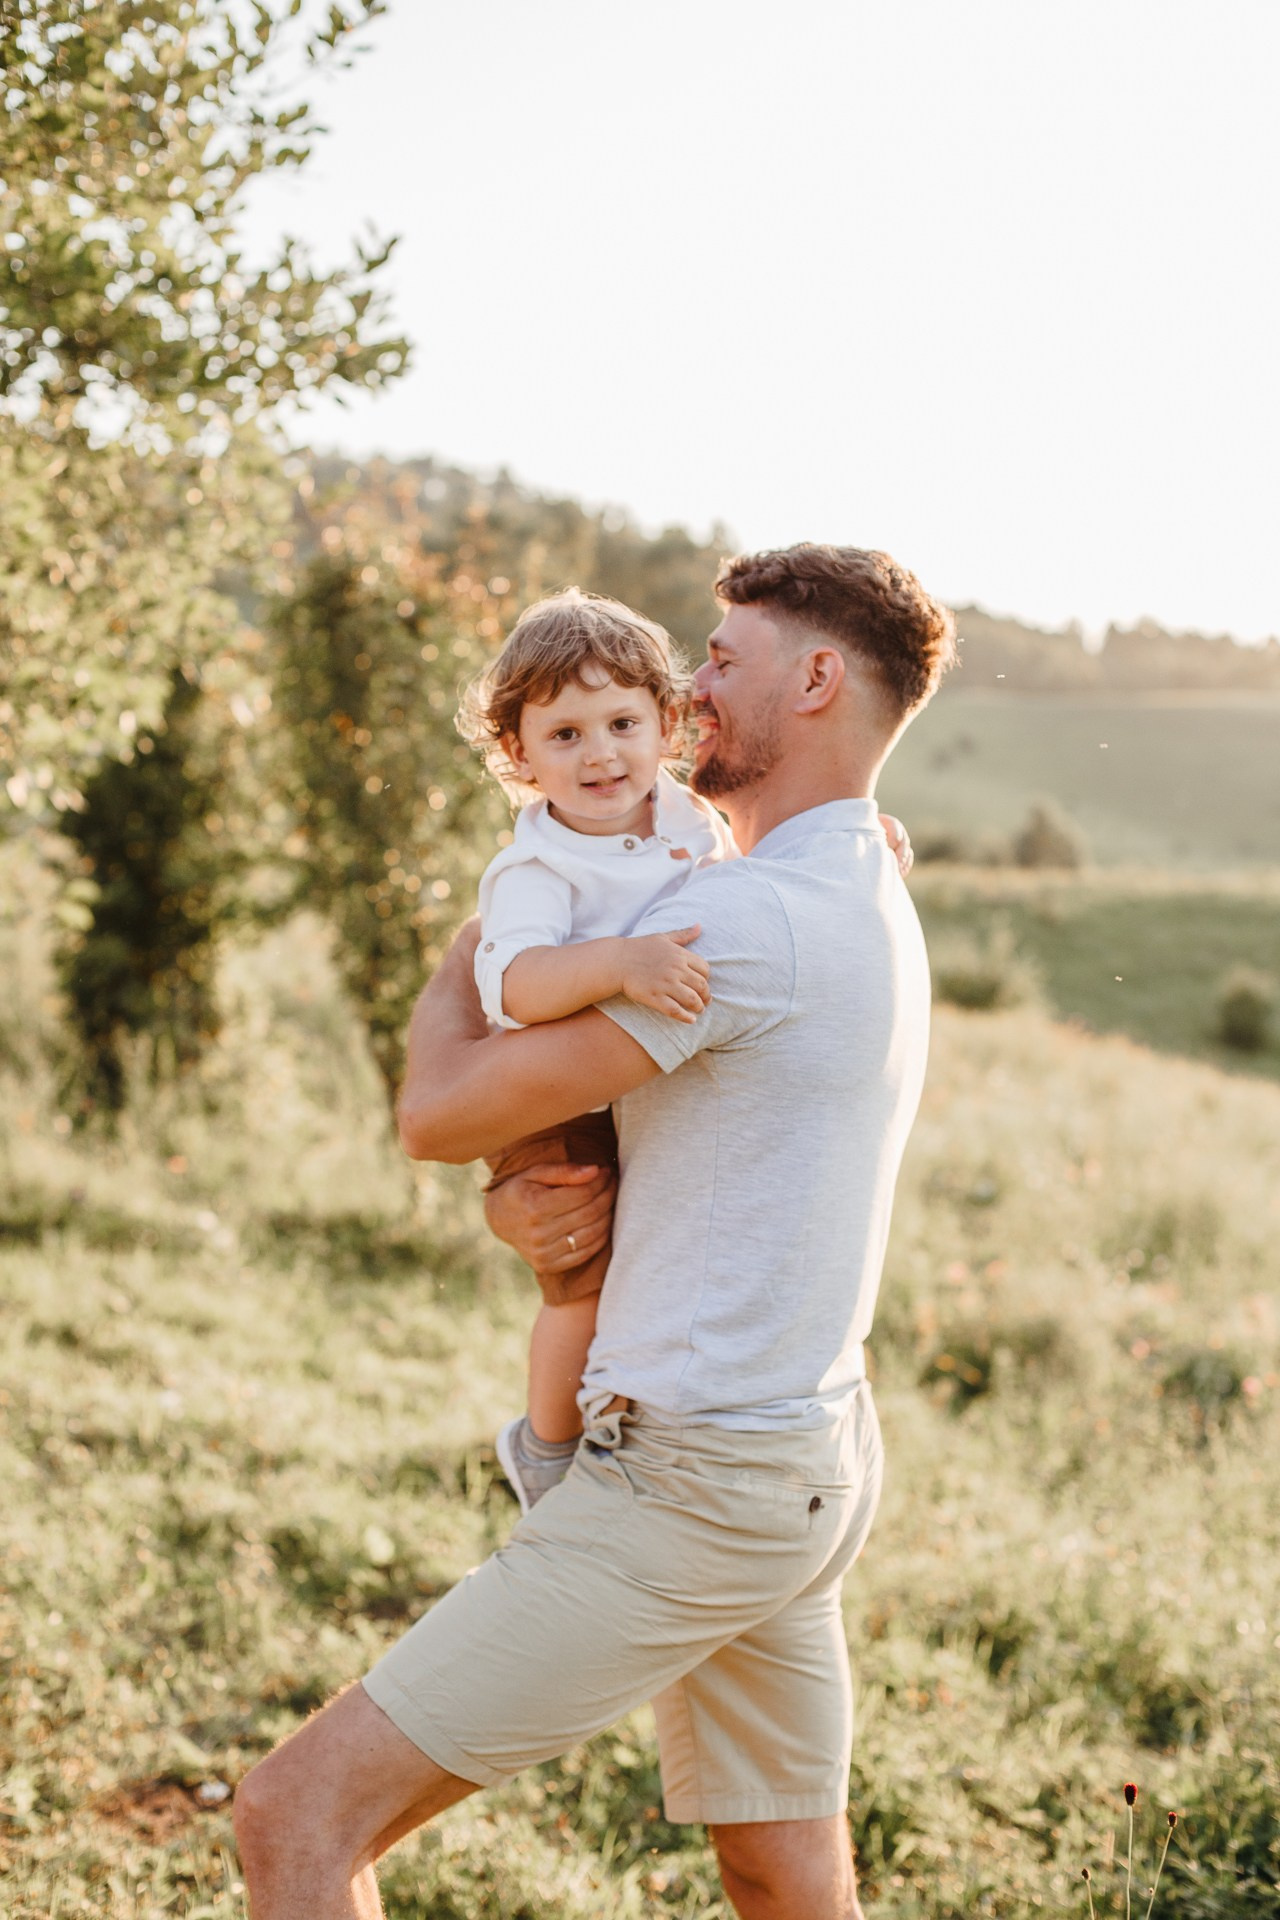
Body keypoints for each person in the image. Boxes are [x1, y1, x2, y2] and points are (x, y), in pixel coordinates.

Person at [233, 543, 956, 1920]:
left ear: (816, 678)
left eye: (723, 659)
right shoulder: (859, 877)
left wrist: (474, 947)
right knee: (779, 1864)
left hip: (697, 1480)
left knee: (293, 1818)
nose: (692, 684)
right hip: (803, 1453)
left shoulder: (741, 923)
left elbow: (440, 1111)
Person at [456, 585, 911, 1511]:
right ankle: (545, 1450)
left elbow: (750, 887)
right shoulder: (538, 866)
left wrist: (865, 843)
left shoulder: (682, 818)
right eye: (566, 736)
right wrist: (619, 962)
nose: (600, 755)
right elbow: (515, 983)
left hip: (639, 1085)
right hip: (562, 1102)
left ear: (665, 725)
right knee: (580, 1282)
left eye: (622, 722)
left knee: (641, 1261)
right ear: (518, 754)